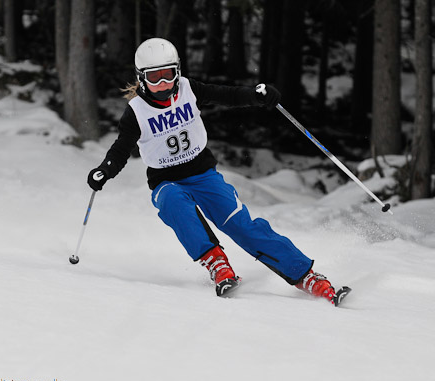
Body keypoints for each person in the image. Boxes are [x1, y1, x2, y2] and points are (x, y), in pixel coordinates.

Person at [87, 37, 340, 304]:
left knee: (241, 226)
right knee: (174, 203)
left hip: (203, 175)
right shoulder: (136, 111)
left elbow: (227, 95)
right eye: (154, 78)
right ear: (141, 78)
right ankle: (216, 263)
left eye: (168, 75)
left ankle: (305, 275)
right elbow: (121, 147)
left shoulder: (188, 89)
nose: (163, 83)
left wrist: (256, 95)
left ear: (178, 71)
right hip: (165, 180)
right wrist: (106, 169)